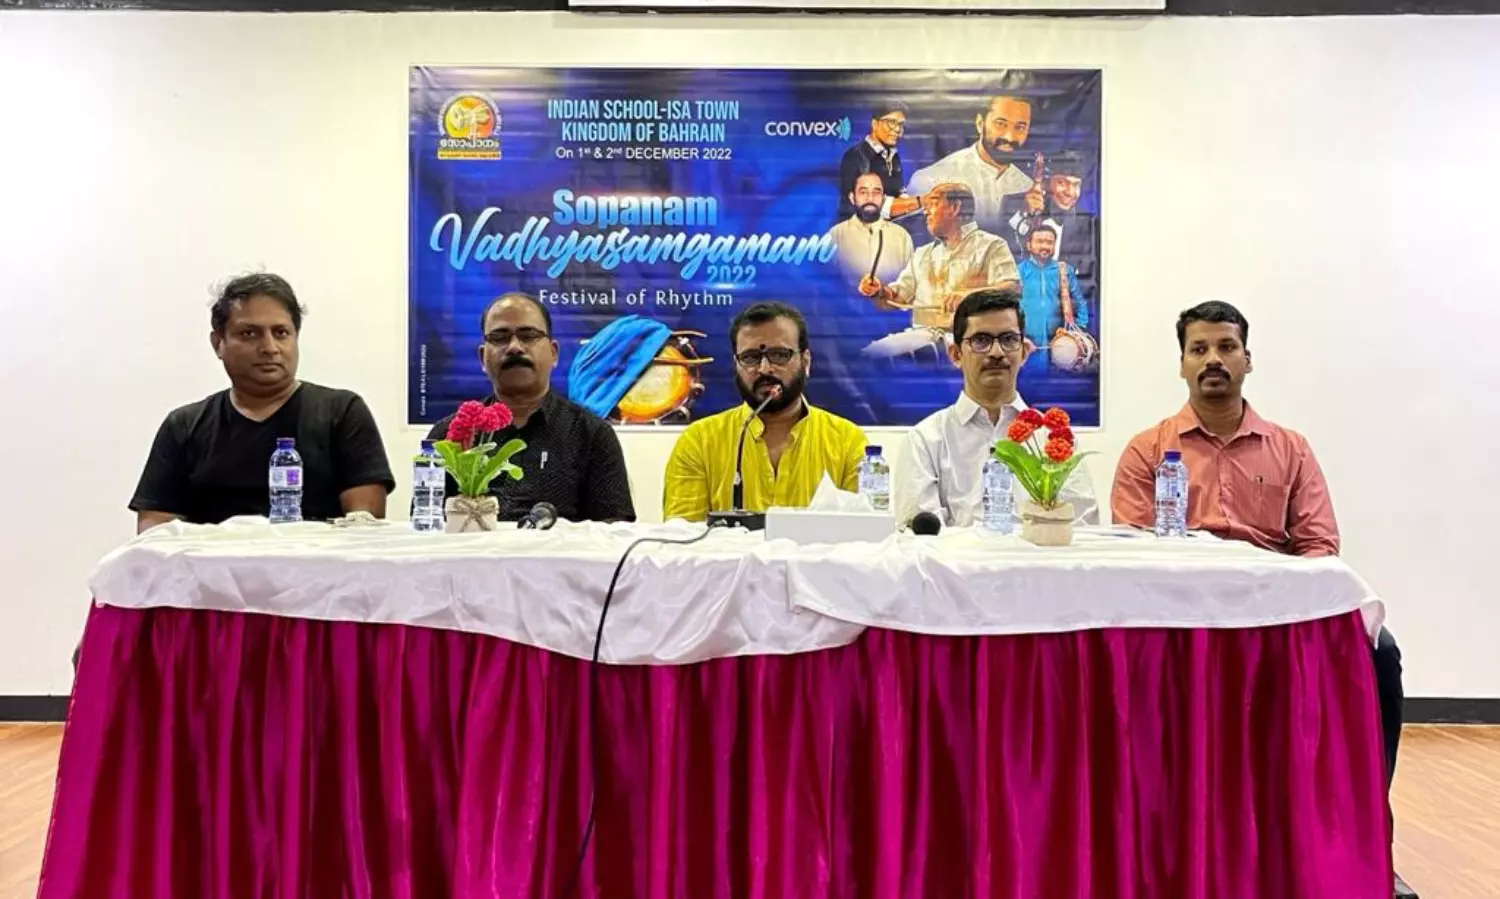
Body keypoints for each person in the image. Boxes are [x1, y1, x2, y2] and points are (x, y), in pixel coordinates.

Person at [1109, 300, 1412, 899]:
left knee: (1382, 657)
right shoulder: (1148, 450)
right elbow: (1131, 550)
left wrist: (1279, 602)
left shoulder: (1290, 448)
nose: (1213, 360)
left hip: (1276, 617)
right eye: (1199, 349)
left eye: (1226, 347)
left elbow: (1319, 545)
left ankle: (1370, 841)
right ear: (1181, 364)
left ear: (1248, 359)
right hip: (1178, 620)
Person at [129, 273, 394, 530]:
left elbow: (364, 527)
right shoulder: (184, 426)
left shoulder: (342, 413)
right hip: (213, 562)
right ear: (218, 343)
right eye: (249, 333)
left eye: (281, 332)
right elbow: (155, 532)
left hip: (314, 561)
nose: (269, 348)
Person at [894, 287, 1097, 528]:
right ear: (956, 354)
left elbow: (1083, 531)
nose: (997, 352)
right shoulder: (925, 441)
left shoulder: (1054, 440)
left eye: (1009, 339)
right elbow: (919, 539)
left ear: (1024, 352)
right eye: (981, 340)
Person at [426, 291, 635, 523]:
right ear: (482, 357)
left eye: (529, 335)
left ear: (554, 353)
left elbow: (615, 531)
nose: (514, 347)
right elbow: (425, 528)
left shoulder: (592, 435)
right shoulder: (448, 437)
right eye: (499, 337)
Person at [663, 301, 867, 521]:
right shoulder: (699, 443)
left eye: (779, 355)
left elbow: (863, 533)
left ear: (805, 362)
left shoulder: (847, 442)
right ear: (736, 364)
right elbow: (683, 535)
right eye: (750, 357)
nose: (764, 369)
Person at [858, 182, 1019, 360]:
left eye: (933, 203)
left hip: (972, 342)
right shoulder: (922, 254)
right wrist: (879, 291)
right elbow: (896, 299)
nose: (926, 211)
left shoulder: (991, 245)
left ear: (955, 208)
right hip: (924, 337)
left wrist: (971, 296)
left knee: (880, 356)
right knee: (869, 355)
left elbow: (1012, 290)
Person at [903, 95, 1036, 232]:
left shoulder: (1026, 187)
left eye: (1020, 127)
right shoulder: (932, 180)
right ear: (980, 123)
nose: (1010, 137)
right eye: (1000, 124)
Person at [828, 170, 914, 286]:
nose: (870, 198)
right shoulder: (836, 235)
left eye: (876, 192)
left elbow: (909, 285)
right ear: (852, 197)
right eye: (863, 192)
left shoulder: (901, 237)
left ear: (883, 198)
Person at [1016, 223, 1090, 352]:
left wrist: (1078, 332)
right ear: (1029, 245)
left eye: (1050, 242)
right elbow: (1007, 306)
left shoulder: (1064, 271)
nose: (1045, 246)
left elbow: (1080, 303)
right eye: (1039, 241)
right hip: (1025, 346)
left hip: (1059, 346)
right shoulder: (1019, 271)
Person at [836, 99, 912, 223]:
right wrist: (919, 202)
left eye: (901, 124)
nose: (898, 129)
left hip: (886, 228)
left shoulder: (893, 156)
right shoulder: (856, 156)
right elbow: (871, 204)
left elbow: (899, 192)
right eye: (892, 122)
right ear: (875, 124)